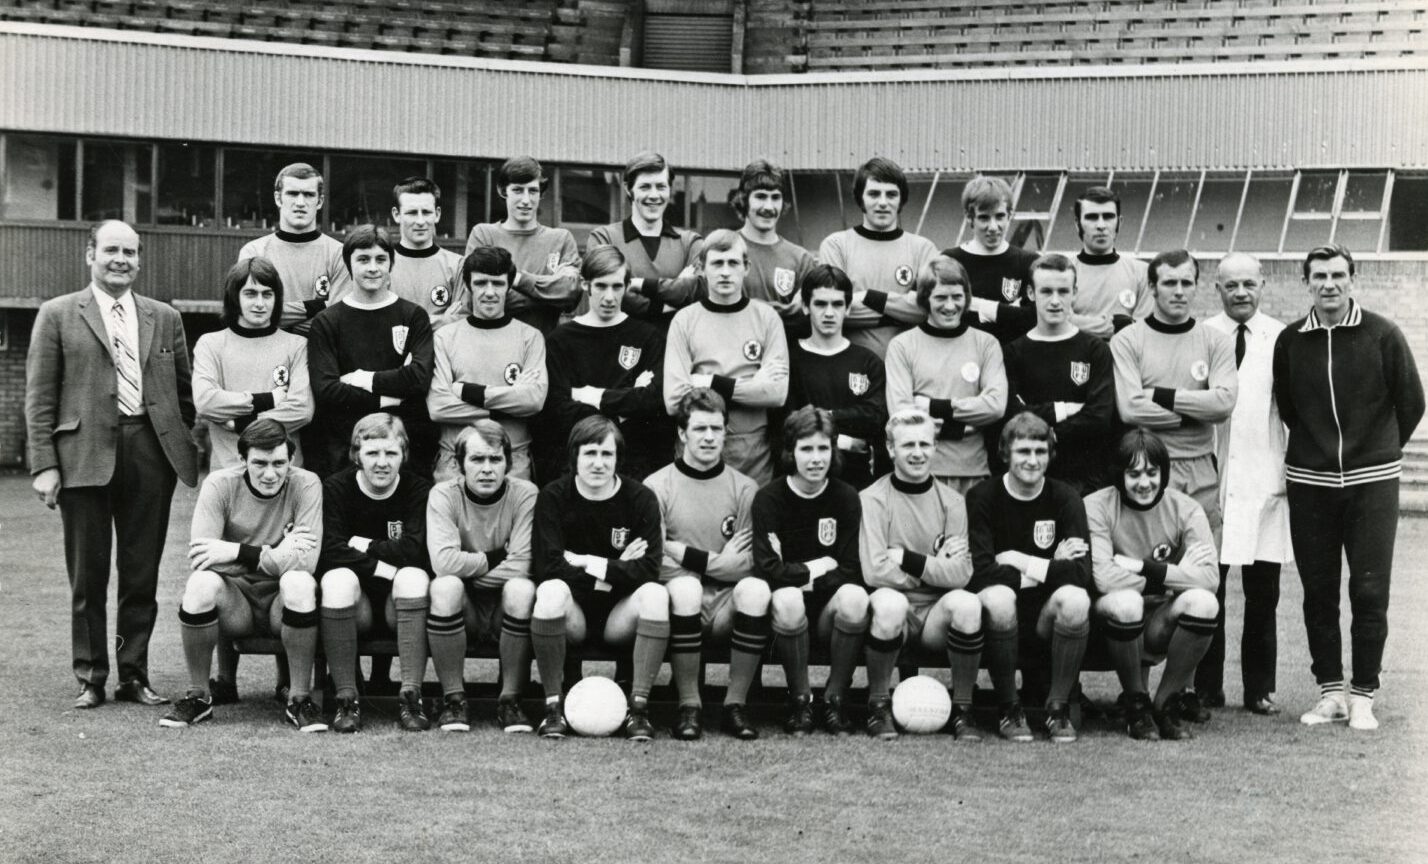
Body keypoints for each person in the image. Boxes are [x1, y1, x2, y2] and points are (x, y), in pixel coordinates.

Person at [26, 219, 199, 710]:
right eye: (111, 251)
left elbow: (184, 394)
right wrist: (45, 464)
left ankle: (133, 673)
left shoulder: (164, 317)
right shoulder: (57, 314)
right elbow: (40, 399)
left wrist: (173, 443)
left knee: (141, 575)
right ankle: (91, 676)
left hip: (148, 453)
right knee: (88, 576)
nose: (120, 260)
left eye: (130, 252)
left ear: (139, 259)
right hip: (82, 457)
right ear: (90, 255)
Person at [1273, 244, 1424, 731]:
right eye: (1319, 276)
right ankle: (1331, 692)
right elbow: (1288, 406)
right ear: (1306, 282)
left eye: (1338, 275)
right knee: (1318, 591)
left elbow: (1412, 401)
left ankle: (1363, 694)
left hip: (1371, 484)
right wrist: (1318, 453)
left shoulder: (1383, 333)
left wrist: (1377, 452)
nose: (1329, 284)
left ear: (1353, 279)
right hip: (1310, 484)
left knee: (1369, 588)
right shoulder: (1291, 340)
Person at [1109, 247, 1237, 713]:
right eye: (1169, 283)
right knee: (1143, 577)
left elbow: (1223, 404)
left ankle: (1178, 692)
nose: (1178, 291)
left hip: (1199, 471)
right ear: (1153, 287)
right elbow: (1129, 409)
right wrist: (1191, 406)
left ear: (1196, 285)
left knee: (1200, 580)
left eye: (1187, 282)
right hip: (1145, 470)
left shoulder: (1214, 341)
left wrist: (1159, 396)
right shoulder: (1129, 341)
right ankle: (1136, 691)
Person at [158, 419, 324, 729]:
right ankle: (199, 697)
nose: (270, 473)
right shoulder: (219, 484)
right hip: (239, 605)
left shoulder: (307, 483)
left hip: (281, 602)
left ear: (291, 459)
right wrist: (279, 552)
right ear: (242, 460)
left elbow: (306, 561)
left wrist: (236, 552)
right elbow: (203, 557)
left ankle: (300, 699)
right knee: (200, 584)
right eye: (259, 463)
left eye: (279, 463)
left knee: (299, 581)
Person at [529, 416, 668, 740]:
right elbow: (548, 567)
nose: (598, 462)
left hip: (619, 616)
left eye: (607, 454)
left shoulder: (640, 498)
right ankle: (553, 708)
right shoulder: (553, 496)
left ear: (618, 458)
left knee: (655, 595)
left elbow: (649, 569)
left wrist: (591, 563)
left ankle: (638, 710)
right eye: (590, 453)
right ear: (574, 456)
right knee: (550, 590)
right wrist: (617, 568)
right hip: (573, 615)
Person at [1086, 428, 1221, 741]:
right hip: (1109, 621)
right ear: (1120, 475)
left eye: (1151, 472)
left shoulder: (1186, 509)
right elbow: (1104, 577)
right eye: (1133, 474)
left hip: (1159, 617)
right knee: (1126, 602)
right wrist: (1175, 576)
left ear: (1164, 473)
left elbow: (1210, 579)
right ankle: (1136, 704)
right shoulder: (1097, 505)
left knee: (1203, 603)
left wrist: (1149, 569)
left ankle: (1165, 703)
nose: (1144, 483)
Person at [965, 413, 1092, 742]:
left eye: (1040, 451)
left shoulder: (1066, 498)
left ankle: (1057, 708)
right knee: (998, 596)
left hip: (1045, 615)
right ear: (1005, 452)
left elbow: (1080, 574)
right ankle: (1009, 707)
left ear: (1050, 454)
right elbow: (979, 572)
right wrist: (1048, 567)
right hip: (997, 613)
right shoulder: (982, 497)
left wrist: (1020, 560)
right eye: (1023, 451)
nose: (1032, 460)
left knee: (1076, 600)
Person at [1203, 253, 1292, 715]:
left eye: (1248, 284)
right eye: (1231, 284)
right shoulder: (1202, 334)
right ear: (1217, 289)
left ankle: (1259, 689)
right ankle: (1205, 688)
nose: (1240, 292)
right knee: (1207, 589)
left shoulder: (1282, 337)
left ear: (1263, 286)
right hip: (1209, 480)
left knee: (1263, 594)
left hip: (1263, 481)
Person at [644, 389, 761, 740]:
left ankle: (734, 706)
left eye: (716, 428)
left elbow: (749, 564)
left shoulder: (745, 489)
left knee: (755, 590)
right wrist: (718, 562)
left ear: (726, 432)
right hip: (678, 602)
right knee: (686, 587)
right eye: (699, 429)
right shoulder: (657, 486)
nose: (709, 437)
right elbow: (655, 562)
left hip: (727, 603)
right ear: (682, 433)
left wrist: (684, 553)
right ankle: (689, 706)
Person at [859, 409, 977, 739]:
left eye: (925, 444)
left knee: (967, 605)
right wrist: (933, 567)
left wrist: (909, 560)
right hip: (896, 611)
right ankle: (878, 705)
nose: (917, 452)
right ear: (890, 449)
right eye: (907, 444)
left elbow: (961, 574)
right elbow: (875, 570)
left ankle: (963, 709)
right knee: (888, 603)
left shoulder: (953, 502)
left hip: (936, 616)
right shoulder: (872, 499)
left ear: (936, 447)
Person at [751, 407, 865, 735]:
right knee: (787, 598)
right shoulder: (769, 499)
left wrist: (797, 574)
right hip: (783, 617)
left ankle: (834, 698)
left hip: (830, 612)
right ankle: (800, 699)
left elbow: (851, 569)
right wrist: (816, 567)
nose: (816, 459)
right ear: (790, 451)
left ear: (833, 450)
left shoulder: (846, 497)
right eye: (806, 449)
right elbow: (768, 569)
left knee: (855, 597)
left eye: (823, 448)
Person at [316, 413, 432, 733]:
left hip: (401, 603)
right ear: (356, 455)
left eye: (391, 453)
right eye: (372, 453)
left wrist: (363, 545)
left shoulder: (418, 489)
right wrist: (382, 566)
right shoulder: (336, 488)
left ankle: (411, 696)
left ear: (403, 455)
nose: (382, 463)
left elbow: (415, 550)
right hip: (358, 605)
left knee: (413, 576)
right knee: (337, 579)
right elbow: (330, 550)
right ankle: (346, 699)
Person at [425, 420, 539, 734]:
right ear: (460, 464)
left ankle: (510, 700)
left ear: (508, 463)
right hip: (467, 611)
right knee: (445, 586)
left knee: (521, 588)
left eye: (495, 459)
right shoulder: (443, 495)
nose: (487, 469)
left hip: (504, 607)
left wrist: (472, 574)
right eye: (477, 459)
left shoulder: (525, 494)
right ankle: (454, 700)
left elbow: (524, 563)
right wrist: (496, 557)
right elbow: (444, 563)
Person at [307, 225, 437, 478]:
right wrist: (389, 399)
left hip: (401, 451)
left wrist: (364, 379)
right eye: (363, 259)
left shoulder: (413, 316)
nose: (373, 268)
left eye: (381, 259)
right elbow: (327, 390)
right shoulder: (327, 322)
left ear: (391, 263)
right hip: (343, 450)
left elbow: (419, 379)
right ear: (349, 264)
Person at [664, 229, 789, 485]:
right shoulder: (684, 321)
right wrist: (752, 386)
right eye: (717, 263)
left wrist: (706, 382)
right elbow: (675, 399)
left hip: (752, 456)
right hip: (697, 451)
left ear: (746, 267)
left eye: (733, 263)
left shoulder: (766, 318)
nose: (724, 271)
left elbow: (776, 393)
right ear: (701, 268)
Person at [542, 245, 668, 482]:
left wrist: (592, 396)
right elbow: (557, 409)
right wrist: (625, 403)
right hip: (577, 469)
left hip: (634, 469)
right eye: (601, 286)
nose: (609, 297)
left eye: (617, 286)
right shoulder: (560, 340)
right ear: (585, 284)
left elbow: (653, 402)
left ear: (627, 286)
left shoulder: (647, 337)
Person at [885, 255, 1007, 494]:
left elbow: (995, 406)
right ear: (925, 299)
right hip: (921, 472)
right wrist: (967, 427)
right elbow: (903, 416)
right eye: (941, 297)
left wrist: (931, 407)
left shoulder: (986, 344)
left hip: (973, 471)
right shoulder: (902, 346)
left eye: (957, 297)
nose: (950, 306)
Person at [427, 245, 547, 481]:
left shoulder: (530, 337)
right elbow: (438, 406)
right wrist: (508, 403)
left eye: (498, 283)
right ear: (469, 285)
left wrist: (467, 391)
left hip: (512, 461)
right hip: (455, 462)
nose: (489, 292)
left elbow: (533, 400)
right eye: (481, 283)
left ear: (509, 286)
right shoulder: (445, 337)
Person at [1001, 253, 1116, 494]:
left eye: (1063, 291)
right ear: (1031, 294)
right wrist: (1066, 409)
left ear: (1074, 293)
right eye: (1046, 291)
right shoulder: (1013, 352)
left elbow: (1099, 417)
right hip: (1032, 479)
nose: (1055, 301)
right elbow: (1012, 414)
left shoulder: (1096, 350)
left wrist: (1047, 432)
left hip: (1086, 480)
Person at [193, 257, 314, 472]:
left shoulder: (297, 346)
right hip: (228, 471)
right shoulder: (211, 344)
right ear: (234, 297)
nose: (260, 303)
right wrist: (268, 399)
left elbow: (301, 409)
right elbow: (205, 400)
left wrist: (240, 423)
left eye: (267, 294)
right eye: (250, 293)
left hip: (283, 472)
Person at [817, 156, 938, 358]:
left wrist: (867, 297)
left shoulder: (923, 249)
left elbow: (930, 309)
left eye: (891, 194)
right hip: (851, 367)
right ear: (860, 198)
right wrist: (900, 313)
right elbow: (831, 311)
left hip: (909, 368)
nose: (883, 202)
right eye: (874, 194)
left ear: (901, 200)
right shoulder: (836, 245)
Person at [785, 263, 887, 489]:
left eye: (837, 304)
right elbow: (787, 423)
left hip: (858, 481)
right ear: (804, 306)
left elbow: (874, 417)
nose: (829, 313)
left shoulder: (868, 362)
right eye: (820, 304)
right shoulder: (790, 360)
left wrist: (819, 416)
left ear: (848, 308)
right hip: (805, 485)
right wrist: (846, 441)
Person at [465, 156, 582, 334]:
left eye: (533, 191)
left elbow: (570, 292)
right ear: (503, 191)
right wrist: (550, 297)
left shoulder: (561, 239)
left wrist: (517, 279)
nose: (526, 200)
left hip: (544, 352)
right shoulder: (484, 235)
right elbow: (474, 298)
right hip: (491, 347)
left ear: (541, 193)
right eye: (518, 190)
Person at [583, 150, 702, 323]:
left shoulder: (691, 243)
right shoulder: (604, 238)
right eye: (645, 187)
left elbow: (700, 292)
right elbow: (611, 294)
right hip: (620, 346)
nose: (654, 195)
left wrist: (638, 284)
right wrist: (675, 294)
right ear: (628, 189)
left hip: (675, 347)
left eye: (661, 186)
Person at [237, 162, 349, 334]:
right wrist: (317, 306)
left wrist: (279, 319)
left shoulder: (339, 254)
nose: (300, 202)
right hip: (267, 353)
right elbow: (251, 312)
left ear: (319, 201)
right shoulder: (254, 252)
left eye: (309, 195)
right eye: (292, 193)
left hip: (319, 355)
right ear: (277, 198)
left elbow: (338, 320)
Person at [945, 176, 1039, 345]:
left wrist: (973, 304)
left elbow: (1034, 317)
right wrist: (1009, 311)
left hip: (1012, 365)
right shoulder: (949, 261)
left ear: (1010, 215)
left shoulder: (1028, 262)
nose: (993, 227)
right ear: (969, 217)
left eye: (1000, 216)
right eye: (984, 218)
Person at [733, 158, 818, 334]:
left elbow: (807, 317)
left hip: (782, 356)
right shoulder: (721, 249)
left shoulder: (801, 260)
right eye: (761, 196)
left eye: (775, 198)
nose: (769, 207)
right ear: (744, 199)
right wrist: (785, 310)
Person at [1067, 186, 1153, 339]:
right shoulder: (1062, 272)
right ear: (1077, 223)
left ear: (1119, 222)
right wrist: (1114, 325)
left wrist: (1079, 323)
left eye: (1108, 217)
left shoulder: (1143, 273)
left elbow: (1142, 333)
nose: (1101, 225)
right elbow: (1059, 322)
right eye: (1092, 217)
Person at [388, 176, 467, 330]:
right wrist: (443, 320)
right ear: (397, 215)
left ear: (437, 214)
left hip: (439, 353)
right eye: (412, 213)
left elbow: (460, 322)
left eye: (426, 212)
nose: (420, 221)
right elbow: (378, 319)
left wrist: (405, 324)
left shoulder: (457, 265)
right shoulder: (381, 264)